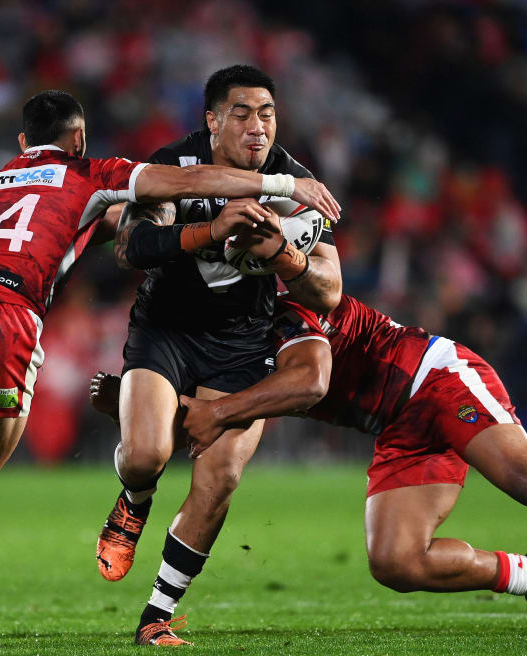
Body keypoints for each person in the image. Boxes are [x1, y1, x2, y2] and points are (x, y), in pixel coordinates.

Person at [0, 88, 341, 653]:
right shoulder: (92, 172)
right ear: (78, 139)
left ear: (24, 143)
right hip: (5, 316)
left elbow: (109, 231)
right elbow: (176, 189)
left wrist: (162, 230)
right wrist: (281, 188)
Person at [89, 290, 527, 638]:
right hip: (394, 426)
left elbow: (304, 382)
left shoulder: (282, 304)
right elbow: (210, 416)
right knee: (395, 562)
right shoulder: (216, 337)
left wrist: (186, 406)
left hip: (432, 379)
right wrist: (136, 404)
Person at [95, 64, 343, 646]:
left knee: (221, 475)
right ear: (211, 120)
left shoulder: (295, 180)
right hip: (166, 328)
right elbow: (130, 248)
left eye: (268, 114)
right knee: (145, 456)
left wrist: (282, 254)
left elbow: (328, 290)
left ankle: (157, 615)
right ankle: (134, 497)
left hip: (243, 339)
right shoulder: (174, 165)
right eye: (242, 113)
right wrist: (212, 230)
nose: (258, 128)